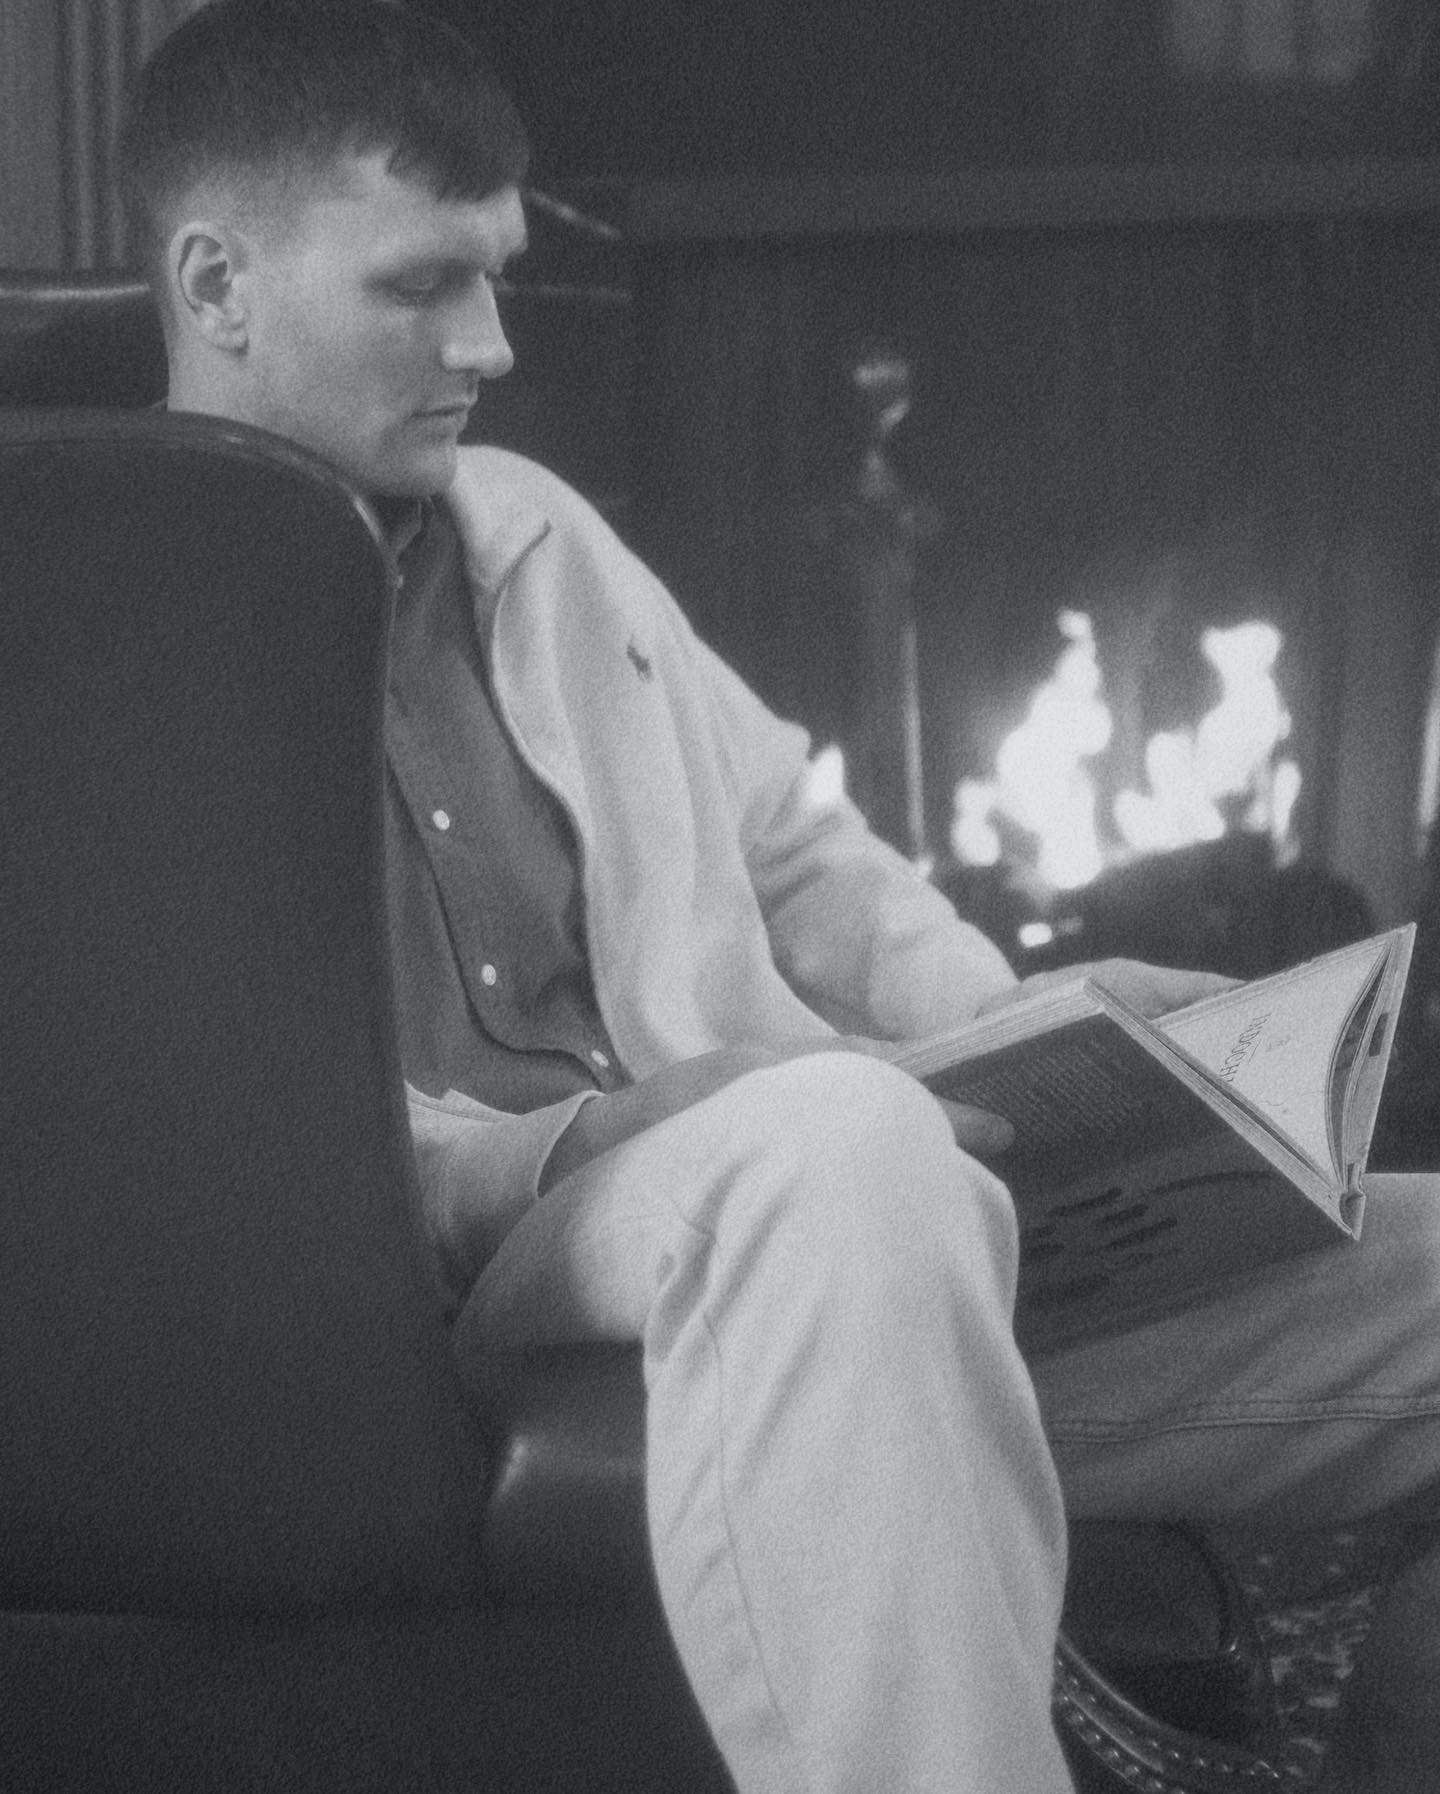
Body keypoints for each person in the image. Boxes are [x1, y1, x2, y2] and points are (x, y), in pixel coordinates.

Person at [119, 4, 1440, 1789]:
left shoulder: (536, 533)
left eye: (496, 274)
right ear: (218, 284)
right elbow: (226, 1151)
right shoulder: (102, 625)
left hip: (827, 1227)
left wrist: (1038, 1028)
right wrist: (623, 1133)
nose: (492, 343)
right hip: (479, 1268)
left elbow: (799, 841)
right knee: (839, 1137)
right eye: (422, 285)